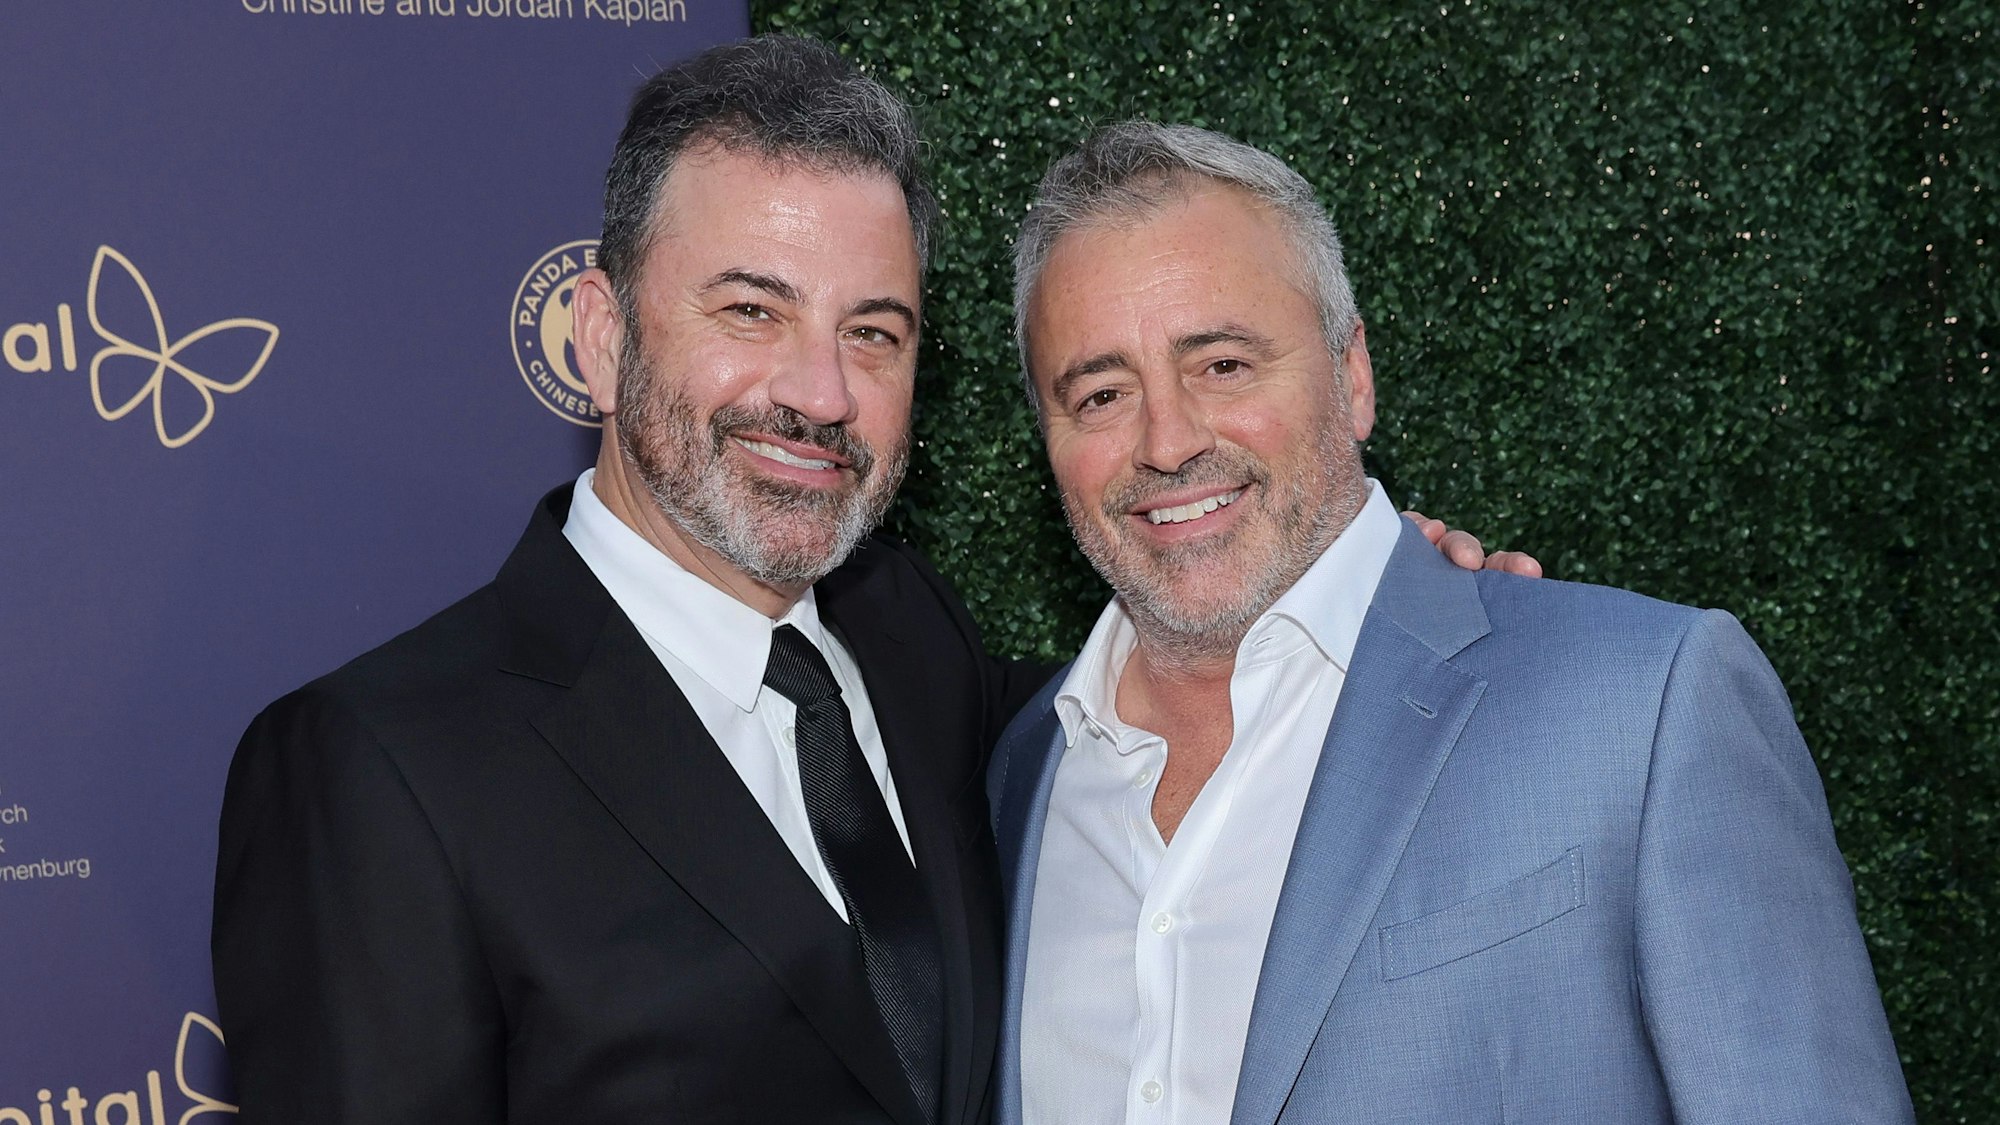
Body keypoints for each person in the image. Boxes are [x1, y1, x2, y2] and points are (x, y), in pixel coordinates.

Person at [211, 36, 1517, 1125]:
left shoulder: (913, 641)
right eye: (751, 311)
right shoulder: (376, 767)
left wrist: (1352, 588)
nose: (821, 392)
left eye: (873, 332)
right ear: (603, 338)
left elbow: (1185, 713)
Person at [988, 121, 1914, 1125]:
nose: (1165, 441)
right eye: (1100, 393)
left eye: (1221, 365)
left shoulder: (1645, 706)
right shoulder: (1013, 779)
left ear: (1351, 377)